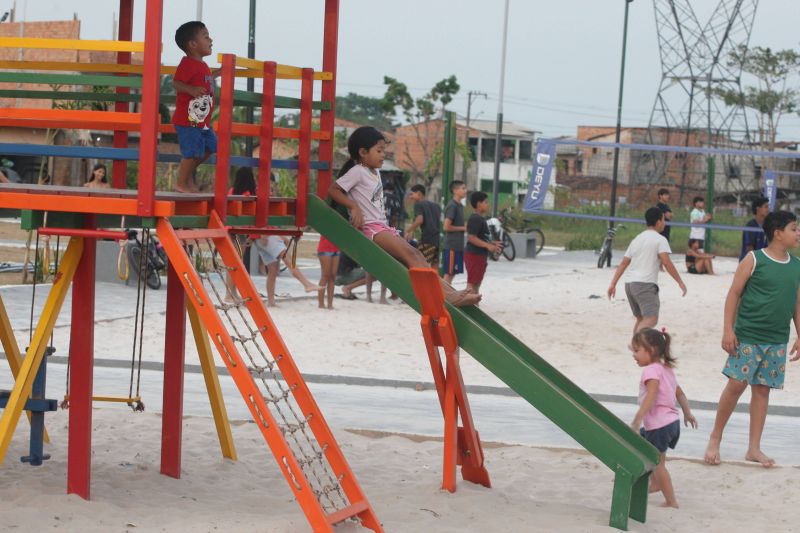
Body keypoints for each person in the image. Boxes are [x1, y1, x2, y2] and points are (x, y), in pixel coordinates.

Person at [328, 126, 479, 307]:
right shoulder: (358, 171)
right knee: (413, 255)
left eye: (384, 150)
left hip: (381, 227)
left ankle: (452, 293)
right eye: (379, 151)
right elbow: (334, 190)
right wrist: (353, 207)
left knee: (417, 257)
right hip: (371, 229)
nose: (383, 155)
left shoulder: (374, 172)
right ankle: (450, 296)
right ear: (362, 152)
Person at [704, 210, 800, 468]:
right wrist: (728, 329)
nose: (798, 232)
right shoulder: (754, 259)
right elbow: (734, 294)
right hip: (748, 336)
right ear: (778, 234)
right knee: (736, 385)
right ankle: (715, 438)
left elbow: (796, 303)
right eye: (794, 228)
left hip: (777, 340)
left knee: (762, 390)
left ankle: (754, 448)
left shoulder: (797, 266)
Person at [630, 328, 697, 508]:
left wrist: (638, 417)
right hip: (671, 423)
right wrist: (687, 413)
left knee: (657, 463)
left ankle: (671, 500)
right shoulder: (666, 369)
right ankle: (656, 483)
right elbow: (680, 393)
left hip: (659, 425)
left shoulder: (651, 371)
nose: (634, 355)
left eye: (637, 350)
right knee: (652, 451)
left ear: (651, 350)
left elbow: (651, 395)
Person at [607, 207, 687, 333]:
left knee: (641, 319)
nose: (665, 222)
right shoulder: (660, 239)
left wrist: (613, 284)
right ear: (659, 222)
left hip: (630, 284)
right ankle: (636, 345)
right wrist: (680, 282)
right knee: (651, 319)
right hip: (645, 284)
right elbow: (666, 262)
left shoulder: (637, 239)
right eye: (663, 219)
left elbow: (623, 264)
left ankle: (636, 347)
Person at [172, 21, 218, 193]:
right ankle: (181, 182)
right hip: (188, 119)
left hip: (201, 120)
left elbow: (207, 79)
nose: (211, 40)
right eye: (206, 37)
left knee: (211, 147)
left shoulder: (203, 66)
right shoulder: (188, 63)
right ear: (192, 44)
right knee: (192, 152)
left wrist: (222, 72)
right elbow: (176, 83)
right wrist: (190, 89)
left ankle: (186, 176)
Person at [252, 236, 320, 307]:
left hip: (258, 239)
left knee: (273, 270)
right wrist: (264, 235)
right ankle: (307, 284)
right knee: (289, 261)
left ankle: (271, 301)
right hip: (266, 236)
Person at [464, 191, 501, 295]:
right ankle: (469, 307)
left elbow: (481, 237)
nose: (487, 204)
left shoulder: (480, 219)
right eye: (485, 202)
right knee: (472, 283)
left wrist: (492, 243)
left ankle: (474, 305)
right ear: (478, 204)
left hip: (480, 255)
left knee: (477, 283)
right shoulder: (476, 218)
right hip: (474, 255)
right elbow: (471, 237)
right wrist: (487, 245)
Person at [406, 184, 442, 268]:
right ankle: (434, 281)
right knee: (434, 267)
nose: (410, 197)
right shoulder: (436, 206)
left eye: (412, 194)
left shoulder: (418, 204)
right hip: (437, 240)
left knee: (420, 264)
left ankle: (420, 281)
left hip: (427, 240)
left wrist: (409, 230)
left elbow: (419, 220)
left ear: (419, 193)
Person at [443, 180, 467, 284]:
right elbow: (446, 227)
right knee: (448, 273)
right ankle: (443, 297)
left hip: (458, 245)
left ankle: (447, 297)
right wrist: (463, 228)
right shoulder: (452, 205)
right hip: (451, 246)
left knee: (452, 273)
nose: (465, 191)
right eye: (463, 188)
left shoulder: (460, 206)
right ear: (455, 190)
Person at [739, 196, 769, 261]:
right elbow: (749, 249)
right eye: (766, 207)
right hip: (751, 262)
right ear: (758, 209)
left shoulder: (768, 226)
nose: (768, 209)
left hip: (763, 262)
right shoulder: (750, 226)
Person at [316, 236, 340, 309]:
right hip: (325, 248)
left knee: (332, 277)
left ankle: (330, 304)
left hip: (336, 248)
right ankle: (321, 304)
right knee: (325, 275)